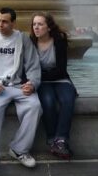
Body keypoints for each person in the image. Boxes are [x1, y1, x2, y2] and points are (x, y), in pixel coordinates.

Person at [0, 7, 41, 176]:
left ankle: (19, 149)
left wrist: (32, 84)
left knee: (35, 106)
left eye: (5, 21)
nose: (0, 24)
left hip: (18, 86)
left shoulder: (23, 39)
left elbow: (33, 66)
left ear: (13, 23)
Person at [30, 13, 77, 160]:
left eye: (40, 24)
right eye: (34, 24)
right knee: (48, 102)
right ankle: (52, 139)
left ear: (48, 27)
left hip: (61, 80)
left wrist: (40, 75)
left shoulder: (59, 41)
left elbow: (61, 70)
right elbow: (28, 68)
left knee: (68, 100)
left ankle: (61, 139)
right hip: (42, 83)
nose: (36, 27)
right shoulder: (31, 42)